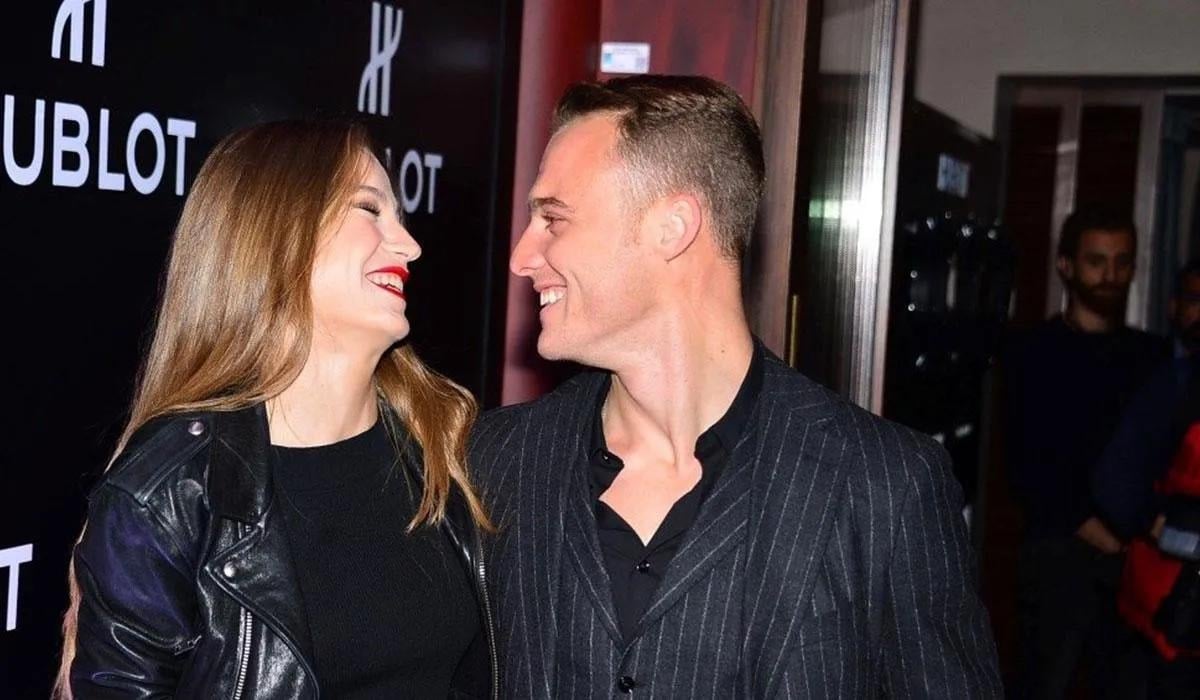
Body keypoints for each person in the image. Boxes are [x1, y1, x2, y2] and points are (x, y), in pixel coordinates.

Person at [471, 75, 1001, 698]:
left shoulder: (884, 484)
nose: (521, 256)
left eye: (553, 219)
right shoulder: (496, 460)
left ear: (674, 226)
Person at [55, 120, 496, 699]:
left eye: (400, 218)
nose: (409, 245)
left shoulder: (446, 445)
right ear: (277, 230)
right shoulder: (173, 491)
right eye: (369, 209)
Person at [1003, 210, 1171, 697]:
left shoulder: (1152, 357)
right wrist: (1105, 538)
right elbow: (1027, 463)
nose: (1111, 275)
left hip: (1136, 558)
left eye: (1122, 262)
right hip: (1059, 554)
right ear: (1067, 265)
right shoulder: (1034, 353)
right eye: (1097, 261)